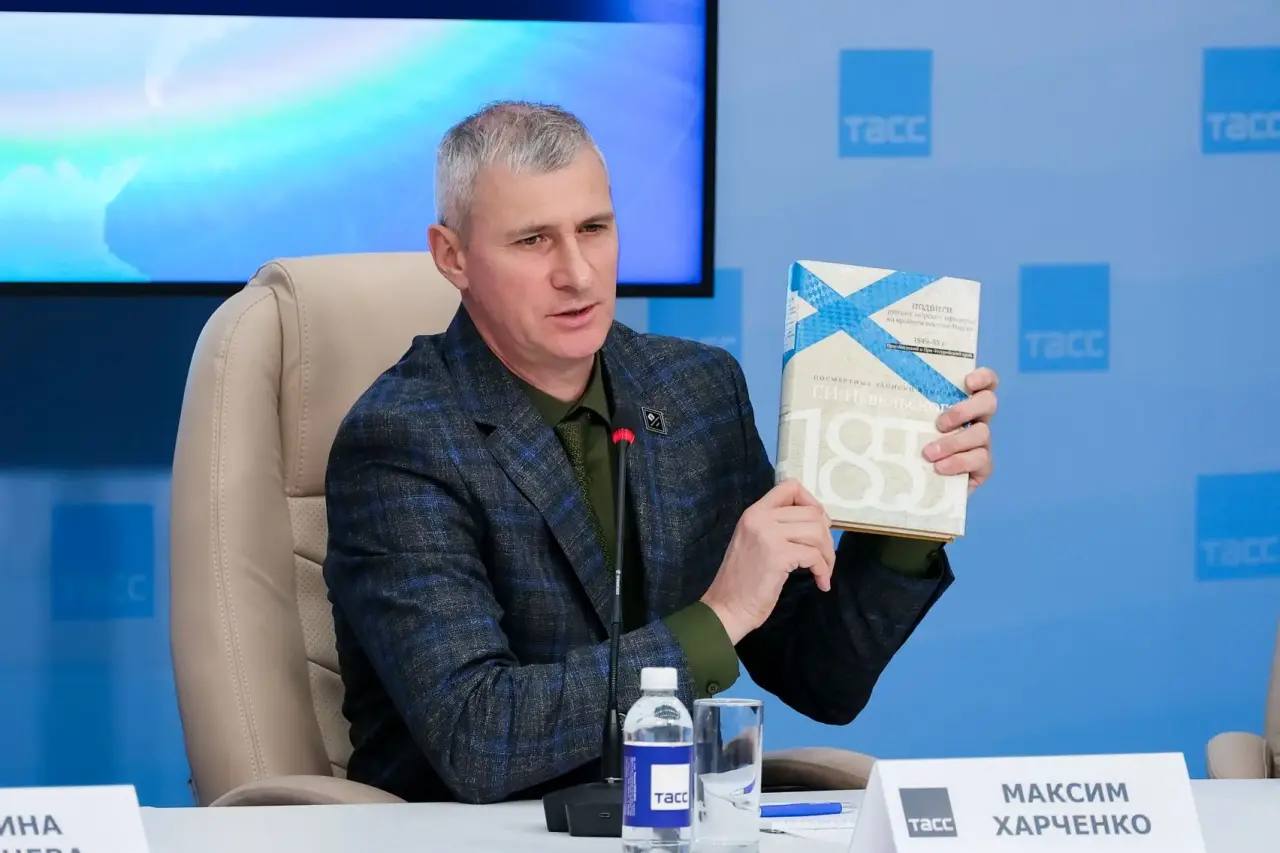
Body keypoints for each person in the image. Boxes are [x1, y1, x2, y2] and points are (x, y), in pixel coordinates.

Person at [323, 101, 999, 804]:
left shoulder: (696, 390)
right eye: (533, 241)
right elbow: (477, 735)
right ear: (452, 256)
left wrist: (913, 501)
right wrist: (720, 614)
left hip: (671, 823)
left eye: (593, 229)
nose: (578, 274)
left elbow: (822, 678)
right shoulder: (403, 438)